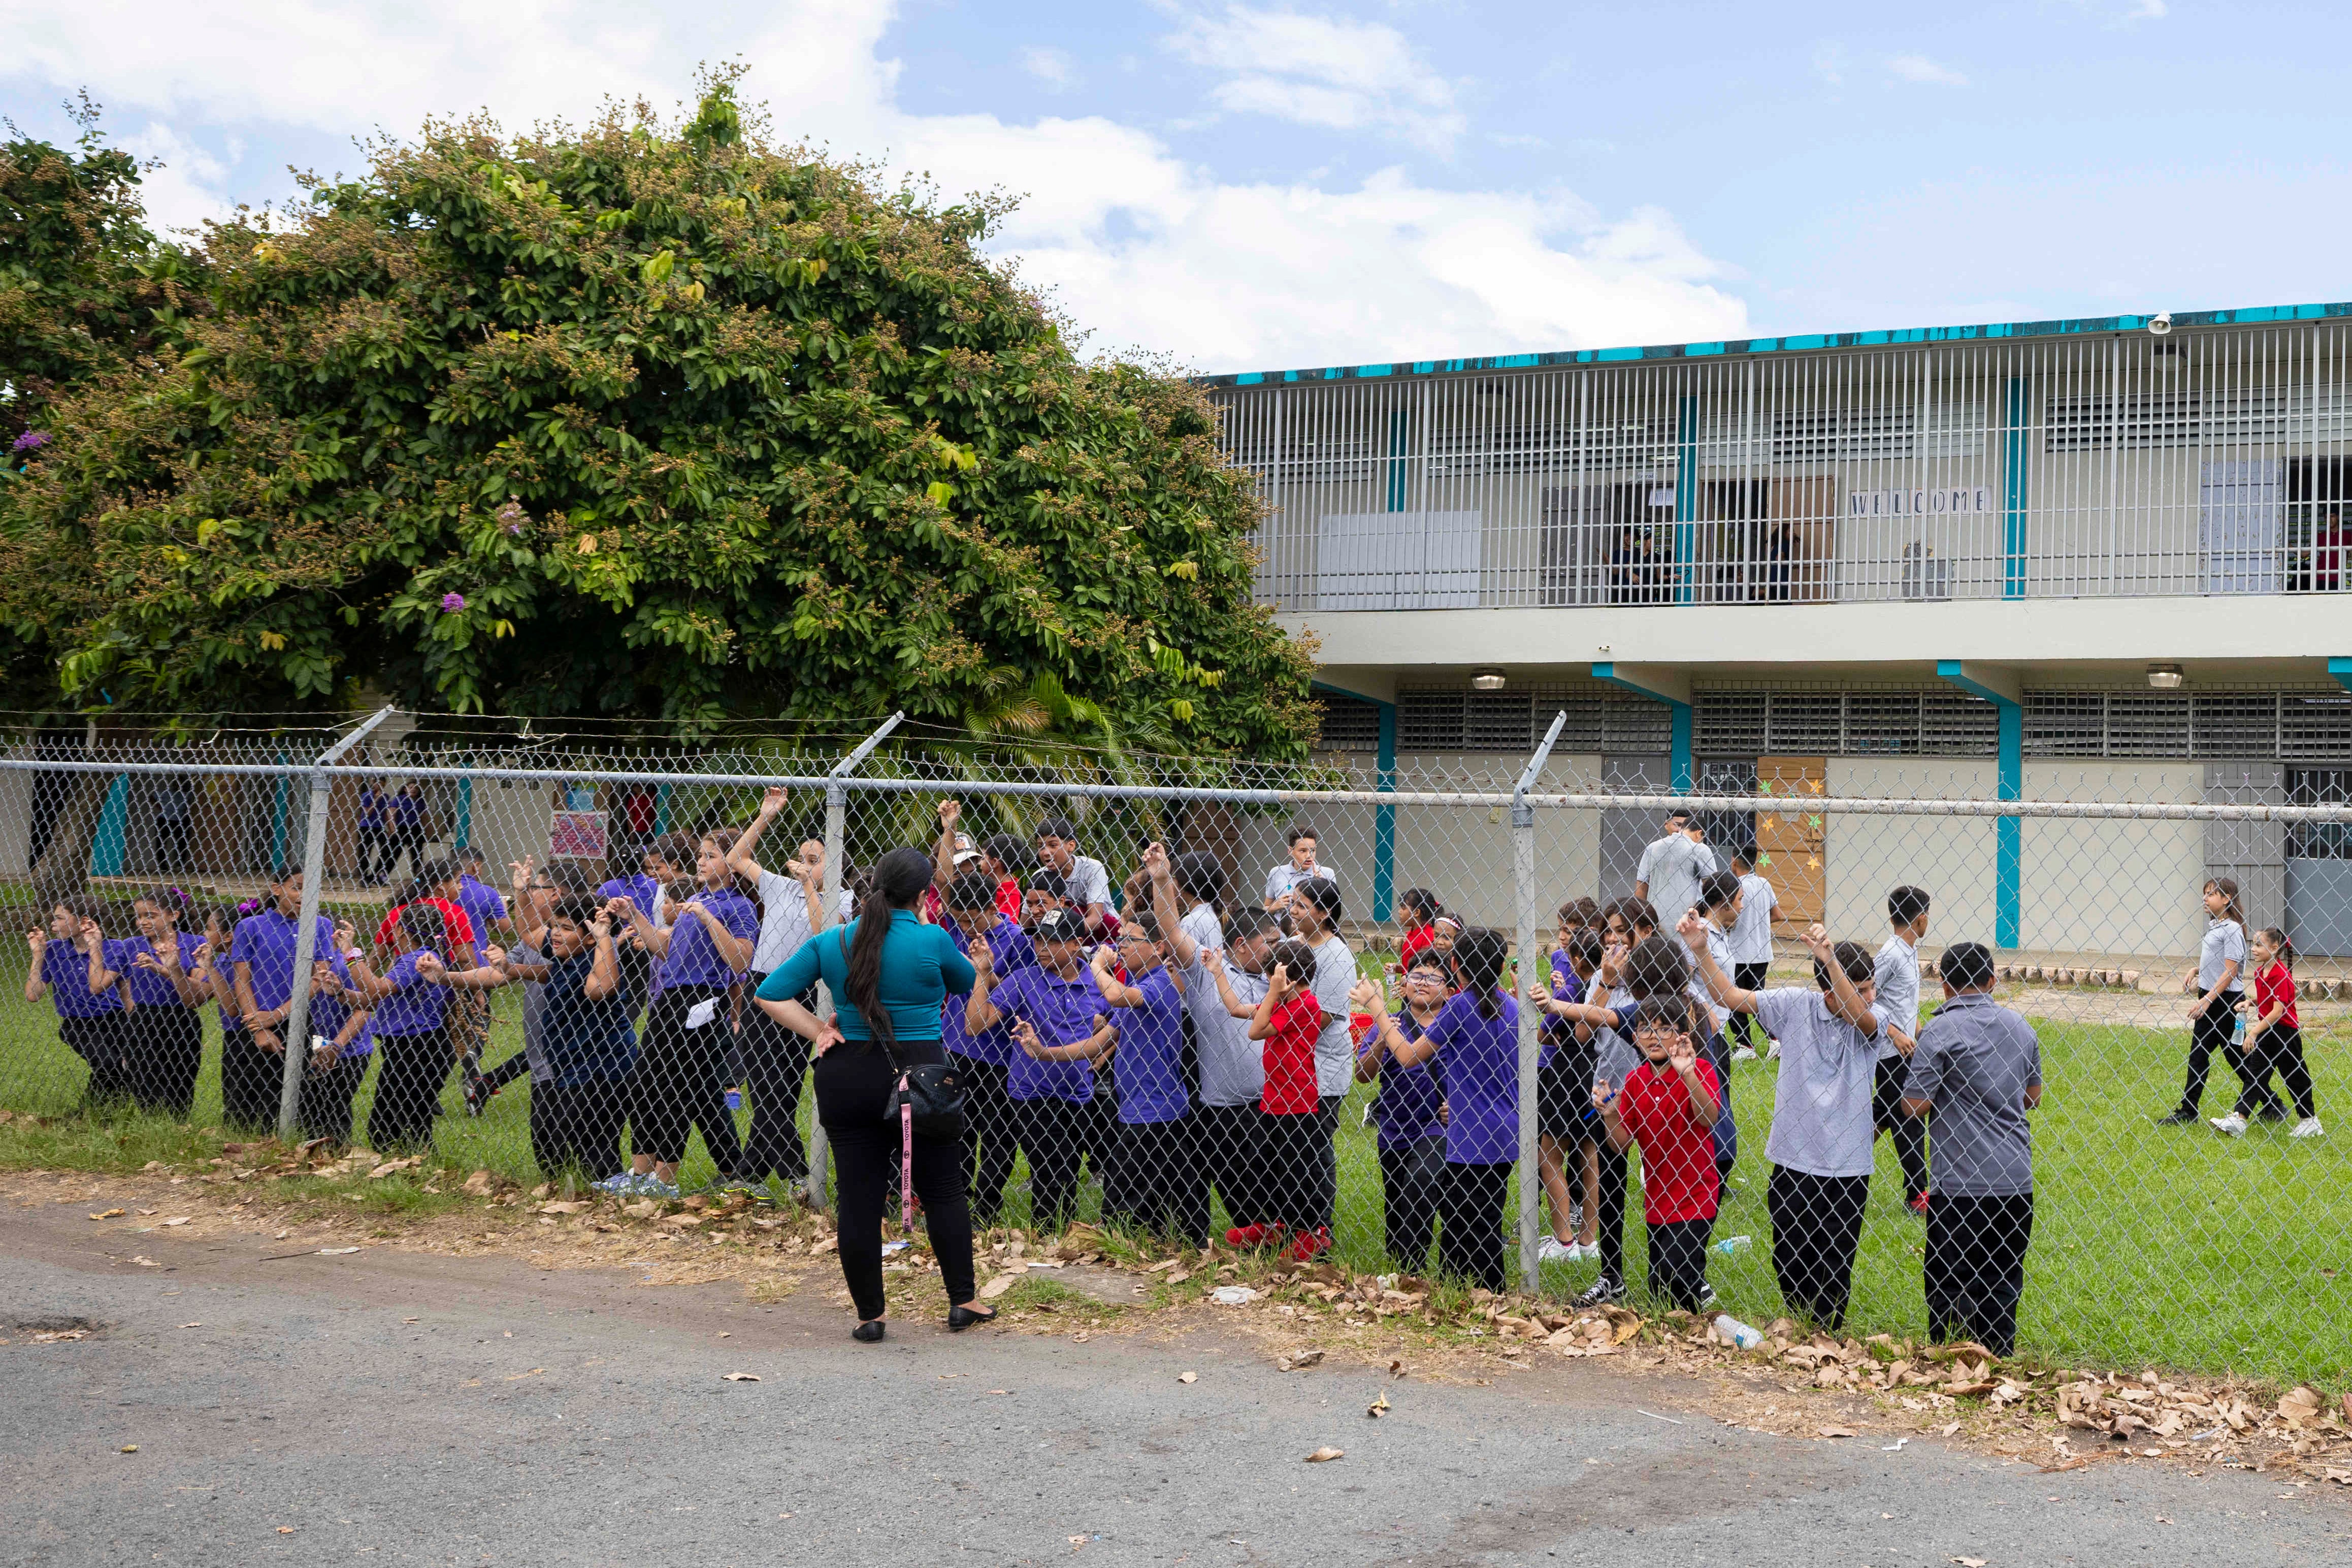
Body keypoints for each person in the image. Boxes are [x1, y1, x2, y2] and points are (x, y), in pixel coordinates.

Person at [752, 845, 987, 1342]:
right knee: (943, 1188)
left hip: (848, 1074)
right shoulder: (932, 938)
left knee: (858, 1198)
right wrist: (933, 930)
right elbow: (966, 979)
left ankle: (869, 1316)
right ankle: (963, 1301)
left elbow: (769, 992)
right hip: (921, 1077)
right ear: (922, 895)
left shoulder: (834, 940)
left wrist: (821, 1030)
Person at [1685, 913, 1883, 1330]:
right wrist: (1701, 951)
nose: (1871, 996)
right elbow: (1731, 996)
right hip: (1794, 1158)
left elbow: (1858, 1014)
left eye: (1871, 987)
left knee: (1835, 1258)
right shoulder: (1797, 1005)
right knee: (1789, 1254)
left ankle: (1825, 1331)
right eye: (1863, 989)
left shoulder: (1873, 1021)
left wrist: (1831, 961)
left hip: (1847, 1166)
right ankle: (1802, 1317)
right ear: (1828, 991)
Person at [1898, 940, 2041, 1356]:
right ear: (1993, 981)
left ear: (1944, 985)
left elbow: (1914, 1106)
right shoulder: (2021, 1027)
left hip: (1959, 1185)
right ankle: (1998, 1356)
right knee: (2003, 1278)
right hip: (2015, 1181)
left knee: (1951, 1280)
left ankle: (1953, 1360)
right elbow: (2032, 1098)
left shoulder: (1940, 1030)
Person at [1361, 927, 1520, 1291]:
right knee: (1475, 1219)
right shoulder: (1511, 1007)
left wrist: (1377, 1007)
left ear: (1456, 967)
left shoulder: (1460, 1007)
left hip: (1469, 1134)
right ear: (1500, 966)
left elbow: (1408, 1056)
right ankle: (1459, 1289)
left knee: (1470, 1226)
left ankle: (1486, 1294)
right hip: (1505, 1129)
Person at [603, 832, 758, 1196]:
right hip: (669, 998)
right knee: (645, 1082)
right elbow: (665, 948)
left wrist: (708, 918)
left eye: (711, 856)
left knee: (677, 1088)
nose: (701, 861)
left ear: (733, 864)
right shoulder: (697, 898)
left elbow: (739, 960)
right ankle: (639, 1173)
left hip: (702, 999)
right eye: (700, 855)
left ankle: (665, 1180)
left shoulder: (739, 906)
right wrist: (634, 915)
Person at [1145, 844, 1277, 1246]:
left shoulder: (1272, 979)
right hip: (1227, 1106)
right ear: (1241, 944)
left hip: (1273, 1103)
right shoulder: (1207, 973)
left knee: (1275, 1185)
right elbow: (1173, 935)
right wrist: (1162, 881)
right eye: (1270, 941)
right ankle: (1249, 1239)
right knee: (1239, 1184)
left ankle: (1279, 1239)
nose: (1278, 948)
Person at [731, 787, 850, 1193]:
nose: (803, 865)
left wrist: (810, 887)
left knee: (781, 1087)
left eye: (814, 861)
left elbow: (823, 933)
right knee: (765, 1085)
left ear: (835, 864)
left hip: (802, 996)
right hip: (763, 986)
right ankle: (781, 1174)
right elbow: (737, 859)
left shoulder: (842, 898)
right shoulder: (780, 886)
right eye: (802, 858)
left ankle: (762, 1175)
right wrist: (766, 815)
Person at [966, 908, 1114, 1231]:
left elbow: (1119, 1023)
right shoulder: (1025, 979)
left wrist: (1104, 1049)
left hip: (1079, 1093)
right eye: (1039, 940)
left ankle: (1057, 1233)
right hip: (1032, 1093)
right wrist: (982, 972)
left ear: (1076, 944)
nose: (1042, 947)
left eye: (1053, 941)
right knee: (1050, 1167)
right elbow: (976, 1025)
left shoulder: (1097, 983)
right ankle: (1047, 1234)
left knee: (1067, 1170)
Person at [1065, 912, 1207, 1246]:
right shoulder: (1138, 988)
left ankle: (1120, 1241)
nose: (1121, 946)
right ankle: (1179, 1239)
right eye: (1120, 940)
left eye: (1130, 940)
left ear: (1158, 947)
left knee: (1123, 1187)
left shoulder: (1158, 984)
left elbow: (1115, 996)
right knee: (1169, 1182)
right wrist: (1040, 1051)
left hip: (1155, 1107)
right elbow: (1095, 1045)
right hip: (1139, 1106)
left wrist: (1097, 965)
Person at [1596, 996, 1724, 1313]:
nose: (1654, 1036)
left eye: (1665, 1029)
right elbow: (1621, 1145)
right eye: (1645, 1029)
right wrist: (1610, 1115)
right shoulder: (1635, 1081)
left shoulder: (1700, 1070)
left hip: (1697, 1195)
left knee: (1675, 1273)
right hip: (1658, 1199)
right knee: (1660, 1286)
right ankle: (1679, 1325)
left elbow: (1708, 1117)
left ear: (1682, 1035)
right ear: (1635, 1038)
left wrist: (1688, 1074)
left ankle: (1689, 1326)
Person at [1213, 937, 1327, 1261]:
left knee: (1296, 1171)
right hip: (1272, 1100)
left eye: (1272, 976)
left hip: (1297, 1103)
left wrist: (1274, 993)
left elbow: (1255, 1031)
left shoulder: (1305, 1004)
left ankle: (1311, 1233)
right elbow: (1236, 1010)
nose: (1267, 981)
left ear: (1285, 978)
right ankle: (1272, 1224)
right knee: (1261, 1165)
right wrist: (1217, 970)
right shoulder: (1281, 1002)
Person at [940, 869, 1034, 1224]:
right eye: (960, 920)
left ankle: (987, 1205)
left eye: (972, 919)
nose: (965, 928)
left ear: (993, 908)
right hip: (956, 1044)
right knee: (956, 1127)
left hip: (998, 1053)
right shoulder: (955, 927)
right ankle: (958, 1196)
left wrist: (983, 970)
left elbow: (1019, 989)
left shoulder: (1017, 940)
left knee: (997, 1132)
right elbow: (943, 877)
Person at [1349, 954, 1450, 1272]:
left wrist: (1460, 1104)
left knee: (1420, 1181)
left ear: (1448, 991)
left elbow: (1477, 1072)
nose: (1423, 983)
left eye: (1433, 978)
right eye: (1416, 976)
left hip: (1437, 1126)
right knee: (1396, 1202)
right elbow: (1363, 1075)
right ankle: (1399, 1264)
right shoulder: (1389, 1023)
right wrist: (1381, 1042)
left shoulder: (1455, 1026)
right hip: (1394, 1128)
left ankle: (1413, 1266)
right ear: (1404, 985)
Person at [2159, 877, 2283, 1126]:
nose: (2205, 899)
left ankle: (2273, 1104)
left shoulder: (2233, 929)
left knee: (2238, 1058)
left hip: (2226, 1003)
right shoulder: (2217, 926)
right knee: (2199, 1055)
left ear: (2227, 899)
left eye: (2211, 894)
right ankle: (2189, 1110)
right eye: (2205, 894)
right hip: (2211, 999)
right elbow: (2218, 963)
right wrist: (2197, 970)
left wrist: (2207, 1000)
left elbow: (2231, 971)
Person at [228, 867, 345, 1133]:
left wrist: (279, 1015)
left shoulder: (320, 925)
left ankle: (288, 1144)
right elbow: (242, 980)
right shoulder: (250, 926)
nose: (304, 895)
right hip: (255, 1020)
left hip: (300, 1020)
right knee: (248, 1101)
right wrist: (259, 1028)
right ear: (276, 888)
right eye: (297, 887)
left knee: (297, 1095)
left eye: (312, 889)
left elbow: (319, 978)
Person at [343, 903, 461, 1150]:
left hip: (419, 1048)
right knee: (404, 1123)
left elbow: (376, 989)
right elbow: (376, 1000)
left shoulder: (416, 960)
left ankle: (418, 1162)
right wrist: (341, 993)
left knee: (389, 1128)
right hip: (409, 1047)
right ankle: (419, 1161)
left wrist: (351, 954)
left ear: (399, 930)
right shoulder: (409, 960)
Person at [87, 887, 207, 1117]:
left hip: (182, 1018)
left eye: (150, 916)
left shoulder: (195, 943)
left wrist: (162, 968)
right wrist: (95, 947)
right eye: (138, 916)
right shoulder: (131, 945)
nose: (142, 922)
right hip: (143, 1019)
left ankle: (177, 1123)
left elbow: (196, 994)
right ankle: (153, 1122)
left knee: (181, 1079)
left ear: (174, 915)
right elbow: (97, 985)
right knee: (145, 1077)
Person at [1286, 877, 1356, 1257]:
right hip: (1290, 1065)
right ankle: (1290, 1224)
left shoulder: (1337, 956)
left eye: (1302, 905)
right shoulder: (1296, 944)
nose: (1293, 911)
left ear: (1325, 913)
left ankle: (1318, 1230)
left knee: (1314, 1150)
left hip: (1321, 1069)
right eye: (1293, 903)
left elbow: (1324, 1016)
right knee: (1289, 1148)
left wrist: (1276, 1020)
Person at [1528, 925, 1606, 1262]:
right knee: (1590, 1154)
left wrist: (1556, 1009)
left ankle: (1564, 1241)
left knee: (1549, 1156)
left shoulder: (1571, 990)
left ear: (1575, 959)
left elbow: (1544, 1035)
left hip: (1566, 1076)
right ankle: (1589, 1239)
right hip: (1597, 1074)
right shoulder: (1605, 989)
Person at [2218, 928, 2323, 1139]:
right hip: (2268, 1031)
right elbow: (2268, 1000)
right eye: (2254, 944)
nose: (2253, 949)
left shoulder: (2281, 975)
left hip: (2285, 1033)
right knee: (2255, 1074)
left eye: (2259, 945)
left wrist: (2253, 1033)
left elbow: (2278, 1011)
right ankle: (2239, 1119)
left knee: (2295, 1077)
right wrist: (2250, 1002)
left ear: (2275, 948)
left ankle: (2309, 1121)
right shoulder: (2260, 973)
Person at [28, 898, 128, 1104]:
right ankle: (88, 1110)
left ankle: (109, 1112)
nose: (53, 924)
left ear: (83, 921)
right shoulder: (54, 950)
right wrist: (38, 955)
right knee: (108, 1064)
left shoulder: (116, 948)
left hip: (115, 1020)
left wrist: (95, 947)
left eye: (59, 918)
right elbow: (33, 995)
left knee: (127, 1067)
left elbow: (113, 989)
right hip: (78, 1023)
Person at [1873, 886, 1933, 1214]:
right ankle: (1917, 1194)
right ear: (1921, 918)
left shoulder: (1909, 950)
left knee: (1884, 1114)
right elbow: (1862, 998)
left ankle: (1835, 1162)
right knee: (1908, 1118)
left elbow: (1901, 1002)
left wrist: (1921, 1033)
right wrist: (1894, 1033)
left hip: (1909, 1051)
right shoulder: (1890, 954)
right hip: (1889, 1053)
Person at [1725, 853, 1778, 1061]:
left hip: (1739, 953)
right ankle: (1775, 1040)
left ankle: (1745, 1045)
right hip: (1762, 952)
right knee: (1758, 998)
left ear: (1734, 860)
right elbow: (1777, 914)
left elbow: (1729, 919)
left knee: (1734, 999)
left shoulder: (1735, 886)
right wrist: (1759, 924)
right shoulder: (1764, 883)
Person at [1634, 807, 1716, 929]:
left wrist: (1640, 921)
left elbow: (1641, 887)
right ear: (1699, 834)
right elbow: (1713, 888)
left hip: (1655, 922)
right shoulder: (1700, 849)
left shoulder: (1653, 848)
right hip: (1686, 924)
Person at [1034, 817, 1113, 935]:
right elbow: (1026, 920)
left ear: (1071, 846)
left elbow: (1095, 919)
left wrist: (1063, 938)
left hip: (1104, 934)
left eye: (1053, 845)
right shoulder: (1040, 876)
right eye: (1041, 846)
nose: (1045, 853)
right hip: (1055, 934)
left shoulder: (1092, 869)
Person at [1263, 826, 1336, 912]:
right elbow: (1265, 908)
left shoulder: (1327, 873)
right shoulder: (1277, 872)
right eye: (1303, 851)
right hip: (1281, 921)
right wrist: (1274, 907)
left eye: (1313, 850)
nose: (1309, 856)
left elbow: (1332, 911)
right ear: (1290, 851)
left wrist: (1320, 885)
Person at [388, 782, 430, 884]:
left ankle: (419, 880)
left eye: (416, 788)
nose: (413, 789)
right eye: (411, 787)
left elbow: (423, 816)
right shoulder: (400, 799)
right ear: (405, 789)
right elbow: (392, 814)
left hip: (415, 829)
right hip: (401, 828)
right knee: (394, 854)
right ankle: (382, 877)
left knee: (417, 855)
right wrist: (393, 830)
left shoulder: (420, 801)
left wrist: (425, 830)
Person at [1395, 888, 1445, 969]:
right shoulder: (1413, 933)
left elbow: (1427, 968)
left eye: (1403, 908)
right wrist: (1398, 968)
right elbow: (1412, 966)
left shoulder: (1428, 936)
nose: (1399, 912)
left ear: (1416, 913)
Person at [355, 779, 391, 885]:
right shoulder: (366, 795)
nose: (380, 786)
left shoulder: (386, 797)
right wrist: (376, 799)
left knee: (387, 849)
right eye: (378, 784)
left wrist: (389, 828)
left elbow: (385, 813)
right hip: (367, 826)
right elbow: (367, 813)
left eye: (382, 784)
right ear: (373, 783)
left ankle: (375, 875)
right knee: (365, 852)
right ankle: (363, 878)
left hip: (380, 827)